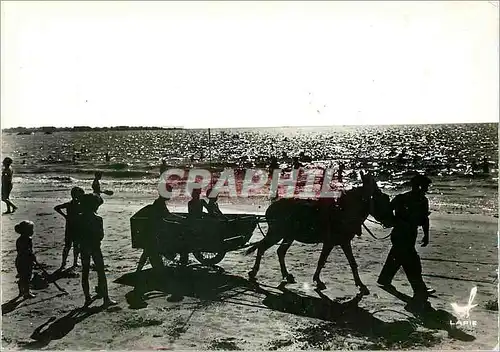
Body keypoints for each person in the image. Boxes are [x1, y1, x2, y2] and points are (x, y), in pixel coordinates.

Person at [377, 174, 435, 308]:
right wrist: (396, 221)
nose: (426, 189)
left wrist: (426, 235)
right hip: (400, 233)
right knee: (411, 261)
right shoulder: (402, 198)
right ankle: (419, 290)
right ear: (418, 186)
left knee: (397, 256)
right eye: (424, 187)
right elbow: (387, 212)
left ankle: (384, 279)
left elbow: (425, 219)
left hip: (410, 234)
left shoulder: (422, 200)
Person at [78, 193, 116, 307]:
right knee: (101, 272)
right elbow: (100, 235)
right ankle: (106, 298)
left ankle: (87, 298)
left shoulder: (80, 217)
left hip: (84, 247)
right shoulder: (98, 219)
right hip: (95, 247)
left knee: (85, 273)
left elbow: (77, 234)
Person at [54, 187, 85, 269]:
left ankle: (64, 263)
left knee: (68, 246)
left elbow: (56, 208)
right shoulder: (80, 205)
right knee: (75, 245)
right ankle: (74, 262)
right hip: (77, 227)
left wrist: (65, 216)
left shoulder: (69, 204)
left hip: (69, 226)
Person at [15, 220, 37, 299]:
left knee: (22, 277)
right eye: (31, 230)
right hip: (25, 261)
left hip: (19, 260)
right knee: (27, 277)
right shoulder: (27, 239)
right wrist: (33, 258)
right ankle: (26, 293)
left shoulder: (19, 239)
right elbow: (28, 251)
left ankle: (21, 291)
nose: (32, 231)